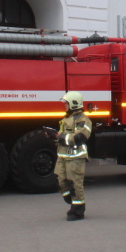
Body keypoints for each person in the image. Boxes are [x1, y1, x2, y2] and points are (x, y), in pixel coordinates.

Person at [47, 91, 92, 221]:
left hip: (76, 157)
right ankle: (71, 200)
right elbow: (62, 138)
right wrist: (52, 137)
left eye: (66, 103)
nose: (64, 105)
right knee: (59, 179)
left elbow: (79, 138)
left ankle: (78, 211)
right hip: (63, 156)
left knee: (75, 183)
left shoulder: (84, 120)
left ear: (74, 103)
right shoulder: (66, 119)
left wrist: (58, 136)